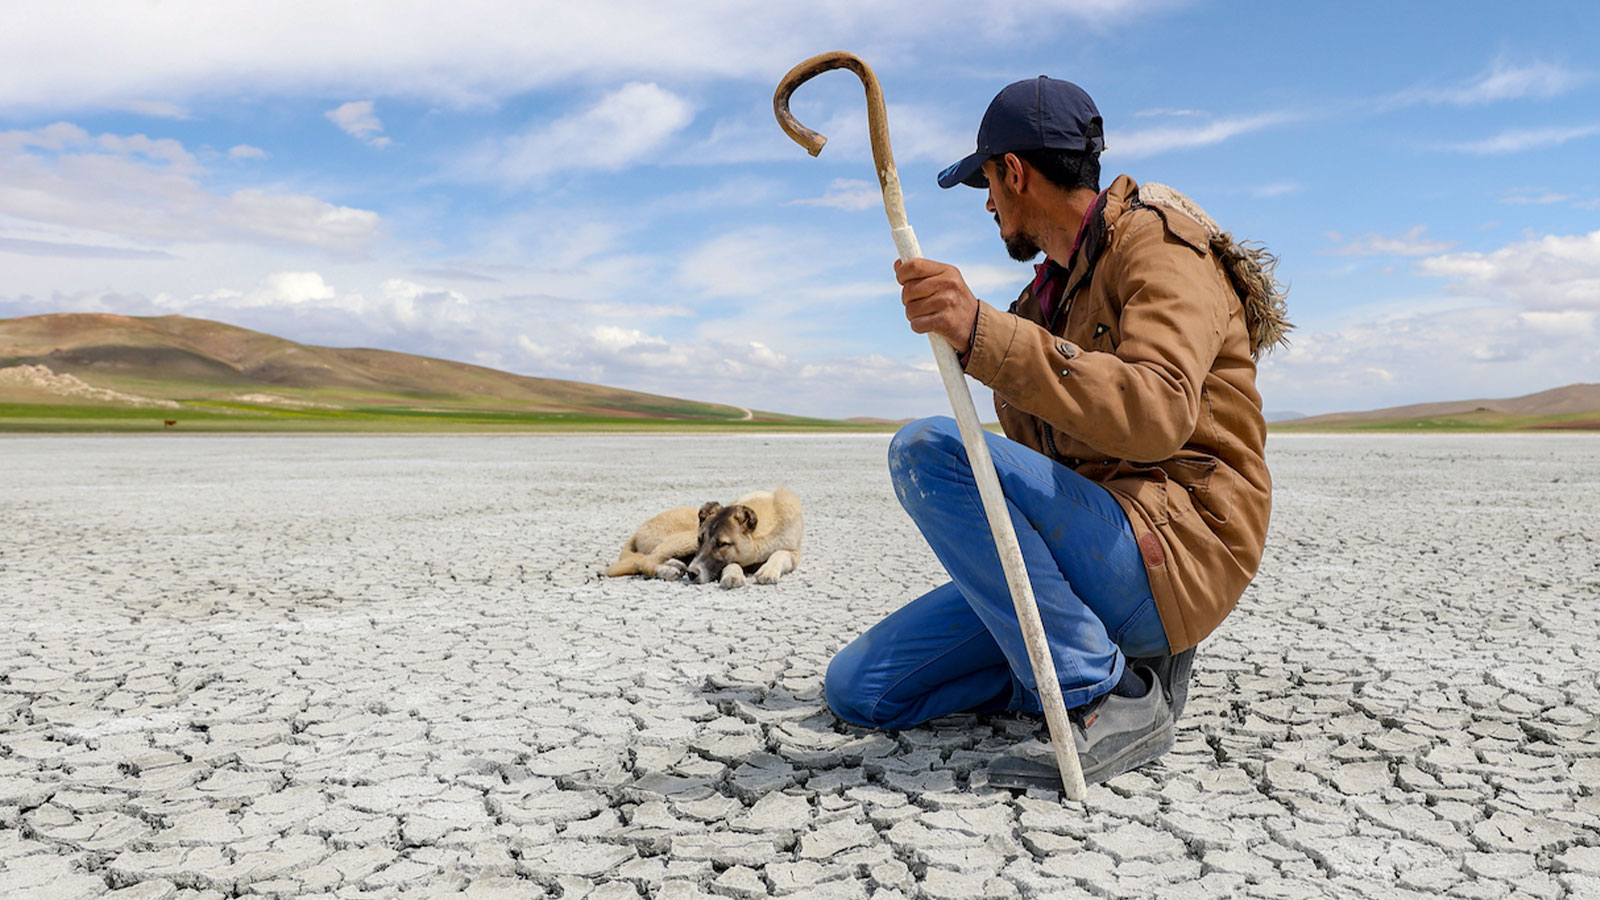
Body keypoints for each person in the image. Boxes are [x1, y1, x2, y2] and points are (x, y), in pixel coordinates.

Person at [823, 76, 1288, 789]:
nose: (985, 202)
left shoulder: (1162, 249)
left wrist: (983, 332)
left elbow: (1158, 411)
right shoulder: (1046, 297)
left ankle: (1107, 694)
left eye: (986, 182)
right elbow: (1042, 473)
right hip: (1092, 557)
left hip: (1174, 545)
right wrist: (991, 335)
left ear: (1015, 172)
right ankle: (1077, 662)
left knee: (930, 451)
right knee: (862, 689)